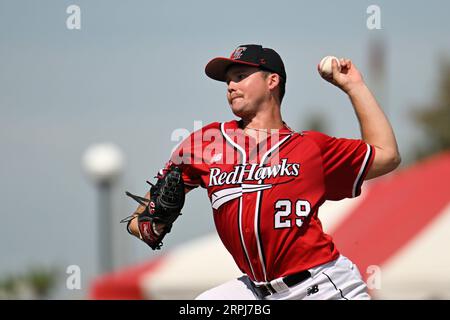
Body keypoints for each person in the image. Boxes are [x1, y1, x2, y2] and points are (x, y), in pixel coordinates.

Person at [126, 44, 401, 300]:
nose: (231, 86)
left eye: (241, 75)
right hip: (256, 291)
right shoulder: (205, 142)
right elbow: (139, 223)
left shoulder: (310, 148)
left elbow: (387, 155)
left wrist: (354, 87)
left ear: (272, 81)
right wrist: (151, 224)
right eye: (228, 81)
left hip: (320, 286)